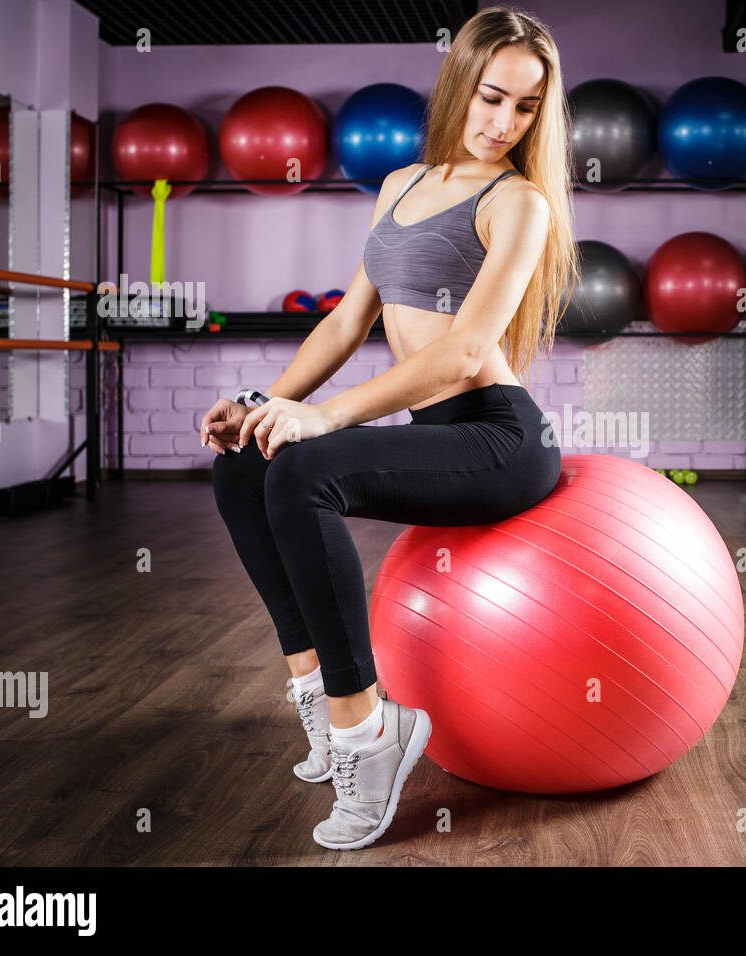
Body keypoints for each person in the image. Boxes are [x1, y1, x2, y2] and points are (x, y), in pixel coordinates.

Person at [202, 5, 577, 851]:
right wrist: (264, 403)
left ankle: (368, 733)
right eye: (491, 98)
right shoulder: (400, 186)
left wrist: (323, 417)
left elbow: (464, 353)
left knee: (303, 472)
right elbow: (343, 325)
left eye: (525, 109)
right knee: (246, 463)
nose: (503, 123)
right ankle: (317, 691)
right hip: (438, 428)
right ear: (458, 85)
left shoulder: (519, 204)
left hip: (497, 438)